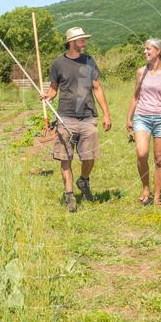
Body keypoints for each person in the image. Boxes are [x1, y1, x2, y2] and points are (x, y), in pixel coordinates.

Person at [40, 27, 112, 212]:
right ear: (71, 42)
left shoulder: (89, 61)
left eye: (84, 40)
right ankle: (69, 194)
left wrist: (106, 114)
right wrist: (47, 96)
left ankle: (84, 179)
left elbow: (97, 88)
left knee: (90, 156)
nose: (84, 43)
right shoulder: (58, 63)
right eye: (81, 40)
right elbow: (54, 88)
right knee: (66, 157)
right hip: (66, 116)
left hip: (87, 116)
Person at [126, 38, 161, 206]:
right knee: (141, 153)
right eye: (144, 49)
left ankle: (156, 197)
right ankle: (145, 187)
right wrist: (129, 117)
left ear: (159, 51)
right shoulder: (141, 72)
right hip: (142, 117)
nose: (145, 52)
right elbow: (136, 96)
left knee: (159, 159)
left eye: (148, 49)